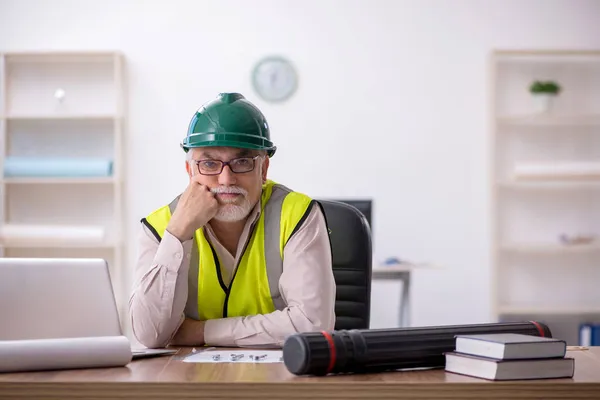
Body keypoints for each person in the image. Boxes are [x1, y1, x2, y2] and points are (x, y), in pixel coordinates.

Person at [129, 93, 336, 349]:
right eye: (208, 163)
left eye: (242, 162)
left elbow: (313, 326)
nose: (226, 180)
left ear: (263, 170)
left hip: (282, 378)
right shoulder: (159, 226)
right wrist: (178, 233)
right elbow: (149, 335)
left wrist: (201, 332)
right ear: (190, 171)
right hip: (187, 381)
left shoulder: (297, 214)